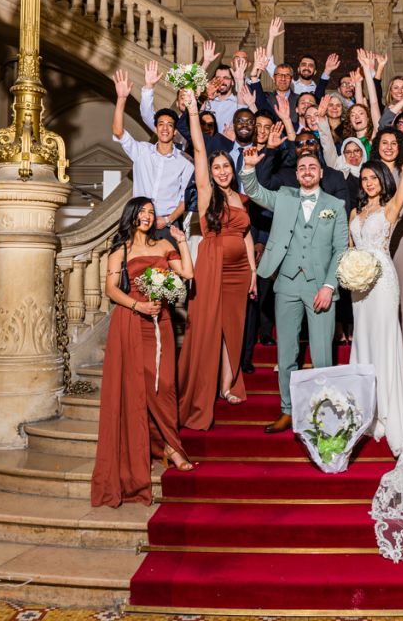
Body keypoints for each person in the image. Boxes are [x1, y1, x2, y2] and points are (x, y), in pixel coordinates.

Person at [349, 95, 403, 455]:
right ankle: (366, 412)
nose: (370, 182)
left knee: (385, 341)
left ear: (383, 179)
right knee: (363, 342)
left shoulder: (391, 209)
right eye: (365, 177)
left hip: (382, 282)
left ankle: (390, 411)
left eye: (375, 177)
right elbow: (352, 249)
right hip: (359, 287)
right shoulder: (355, 211)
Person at [91, 197, 195, 508]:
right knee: (141, 385)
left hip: (160, 321)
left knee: (165, 386)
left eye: (151, 212)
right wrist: (138, 304)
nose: (148, 217)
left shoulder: (163, 247)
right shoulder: (120, 251)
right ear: (132, 216)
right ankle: (171, 449)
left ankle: (167, 446)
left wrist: (183, 241)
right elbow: (111, 290)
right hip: (132, 321)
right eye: (143, 212)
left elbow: (187, 275)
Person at [240, 150, 349, 433]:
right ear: (297, 173)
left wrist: (328, 286)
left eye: (313, 166)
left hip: (319, 286)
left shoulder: (335, 205)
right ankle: (288, 410)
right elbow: (254, 191)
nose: (308, 171)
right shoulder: (285, 197)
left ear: (321, 172)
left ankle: (324, 413)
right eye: (302, 167)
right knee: (286, 353)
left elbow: (341, 249)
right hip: (286, 283)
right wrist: (249, 167)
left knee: (323, 354)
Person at [177, 95, 257, 429]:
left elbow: (247, 235)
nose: (222, 171)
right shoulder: (207, 192)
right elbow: (198, 148)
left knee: (233, 326)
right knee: (209, 325)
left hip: (240, 270)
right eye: (216, 168)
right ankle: (204, 388)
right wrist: (194, 111)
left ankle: (228, 380)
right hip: (211, 264)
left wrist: (253, 272)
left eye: (226, 167)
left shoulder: (239, 197)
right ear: (210, 172)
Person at [112, 70, 192, 242]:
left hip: (167, 226)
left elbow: (185, 199)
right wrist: (121, 98)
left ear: (175, 130)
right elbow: (118, 132)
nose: (165, 128)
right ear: (155, 129)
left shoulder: (185, 163)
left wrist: (168, 220)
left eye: (170, 125)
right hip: (138, 222)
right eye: (161, 124)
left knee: (169, 269)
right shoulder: (141, 151)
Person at [369, 126, 403, 359]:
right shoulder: (370, 173)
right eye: (384, 142)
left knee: (400, 293)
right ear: (377, 146)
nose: (389, 147)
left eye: (394, 143)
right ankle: (377, 349)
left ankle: (400, 353)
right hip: (376, 236)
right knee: (375, 290)